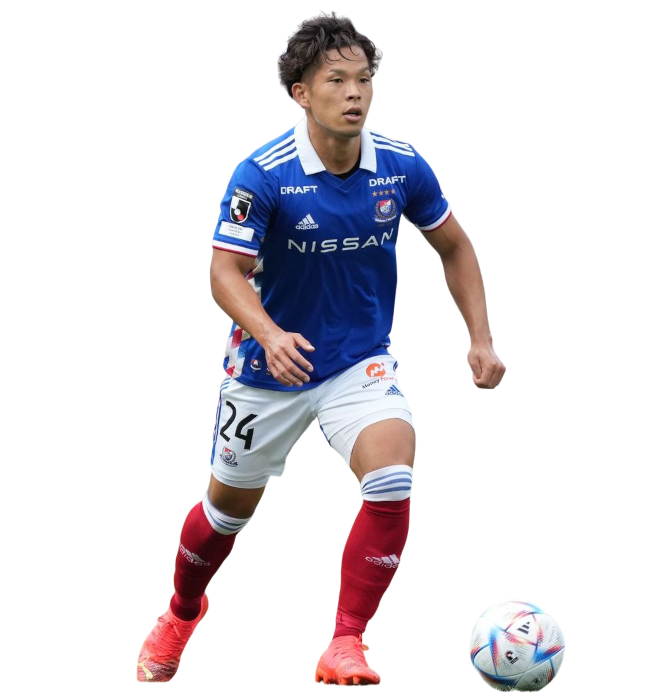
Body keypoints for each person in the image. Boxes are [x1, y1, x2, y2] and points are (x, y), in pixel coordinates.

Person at [136, 10, 506, 686]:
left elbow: (454, 246)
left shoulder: (401, 164)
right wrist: (270, 333)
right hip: (267, 369)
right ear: (301, 93)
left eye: (363, 79)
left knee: (392, 479)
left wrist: (480, 339)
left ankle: (345, 643)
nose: (355, 92)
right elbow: (223, 272)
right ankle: (182, 612)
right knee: (223, 516)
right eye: (336, 80)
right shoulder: (263, 173)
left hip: (358, 361)